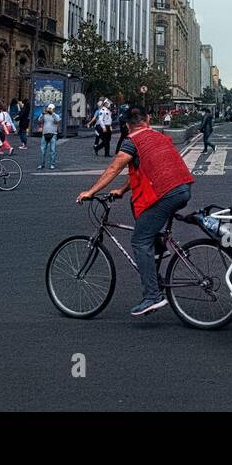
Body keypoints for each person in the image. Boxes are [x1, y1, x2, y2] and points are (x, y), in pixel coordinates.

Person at [76, 106, 195, 317]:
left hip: (167, 193)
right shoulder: (157, 135)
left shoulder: (132, 141)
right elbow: (145, 169)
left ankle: (152, 296)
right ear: (147, 119)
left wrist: (90, 191)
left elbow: (114, 167)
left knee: (140, 240)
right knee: (137, 204)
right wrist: (122, 189)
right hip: (183, 188)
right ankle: (158, 246)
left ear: (127, 125)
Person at [38, 103, 60, 170]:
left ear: (53, 109)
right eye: (49, 108)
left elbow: (58, 120)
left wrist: (52, 113)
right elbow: (39, 120)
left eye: (51, 108)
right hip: (44, 134)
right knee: (42, 150)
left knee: (53, 150)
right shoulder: (44, 115)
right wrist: (42, 113)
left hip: (53, 134)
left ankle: (52, 164)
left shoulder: (55, 115)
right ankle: (42, 164)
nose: (49, 109)